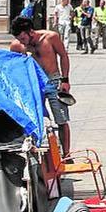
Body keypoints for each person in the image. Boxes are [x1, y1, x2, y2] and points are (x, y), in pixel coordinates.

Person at [10, 16, 73, 151]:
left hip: (53, 80)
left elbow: (63, 56)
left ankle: (66, 154)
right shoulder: (17, 46)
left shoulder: (50, 37)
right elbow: (14, 68)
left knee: (61, 119)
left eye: (23, 38)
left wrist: (65, 80)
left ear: (30, 32)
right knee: (34, 118)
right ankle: (39, 150)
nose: (22, 42)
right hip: (33, 84)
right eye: (19, 39)